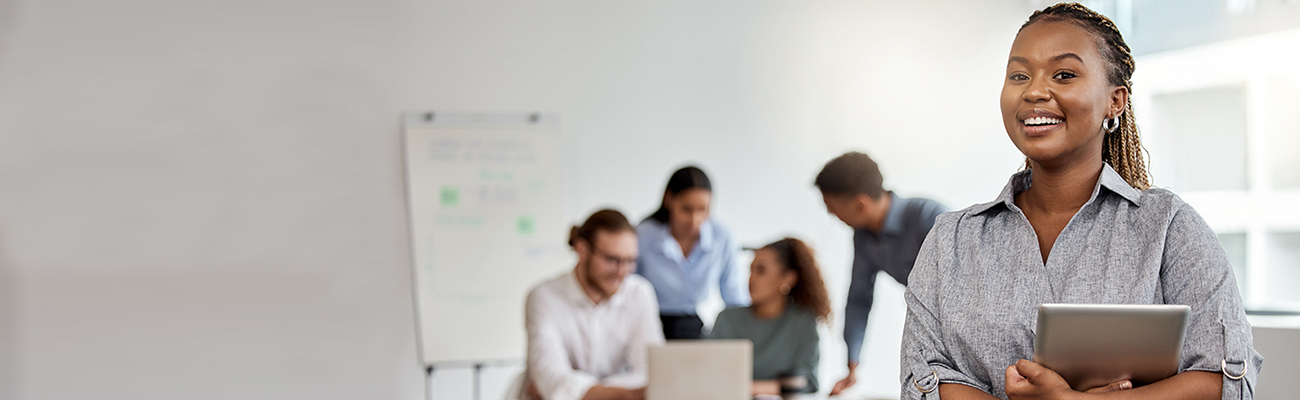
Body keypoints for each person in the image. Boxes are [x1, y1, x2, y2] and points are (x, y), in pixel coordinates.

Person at [900, 3, 1263, 400]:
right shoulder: (950, 240)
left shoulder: (1168, 227)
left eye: (1064, 74)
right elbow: (923, 380)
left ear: (1115, 101)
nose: (1034, 91)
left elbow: (1227, 377)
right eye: (1019, 75)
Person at [814, 152, 948, 395]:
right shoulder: (863, 237)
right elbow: (859, 299)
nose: (831, 215)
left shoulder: (929, 217)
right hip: (925, 330)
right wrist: (852, 362)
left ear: (860, 204)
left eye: (832, 208)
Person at [524, 209, 665, 400]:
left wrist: (581, 391)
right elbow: (553, 380)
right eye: (612, 260)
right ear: (581, 250)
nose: (622, 272)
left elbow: (651, 373)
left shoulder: (640, 294)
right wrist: (626, 393)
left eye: (630, 261)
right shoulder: (544, 298)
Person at [636, 166, 749, 340]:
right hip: (648, 322)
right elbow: (629, 289)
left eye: (702, 209)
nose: (694, 220)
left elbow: (732, 293)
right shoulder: (643, 235)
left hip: (692, 325)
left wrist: (748, 331)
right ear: (668, 200)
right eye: (686, 209)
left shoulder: (722, 236)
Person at [710, 238, 830, 396]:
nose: (751, 279)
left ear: (788, 279)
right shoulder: (727, 319)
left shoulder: (803, 322)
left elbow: (808, 381)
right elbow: (708, 373)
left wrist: (749, 389)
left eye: (761, 271)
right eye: (750, 270)